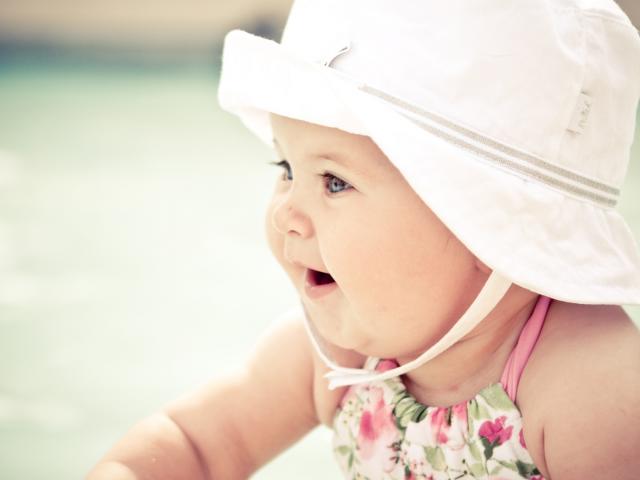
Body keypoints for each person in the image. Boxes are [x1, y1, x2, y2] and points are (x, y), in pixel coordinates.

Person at [87, 1, 640, 479]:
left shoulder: (592, 389)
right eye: (286, 167)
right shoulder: (343, 357)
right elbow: (199, 446)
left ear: (486, 225)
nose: (285, 213)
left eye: (334, 181)